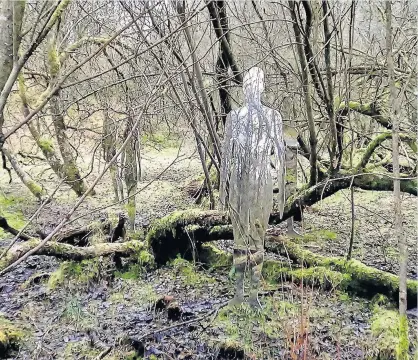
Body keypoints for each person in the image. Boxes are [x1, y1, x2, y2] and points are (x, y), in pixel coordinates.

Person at [219, 67, 286, 309]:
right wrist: (222, 191)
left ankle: (254, 295)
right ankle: (238, 294)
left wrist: (283, 194)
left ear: (262, 87)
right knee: (239, 239)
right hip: (239, 183)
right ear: (244, 88)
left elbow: (280, 155)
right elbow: (226, 156)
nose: (252, 89)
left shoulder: (273, 117)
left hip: (261, 183)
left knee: (258, 238)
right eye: (248, 85)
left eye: (256, 85)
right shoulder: (234, 118)